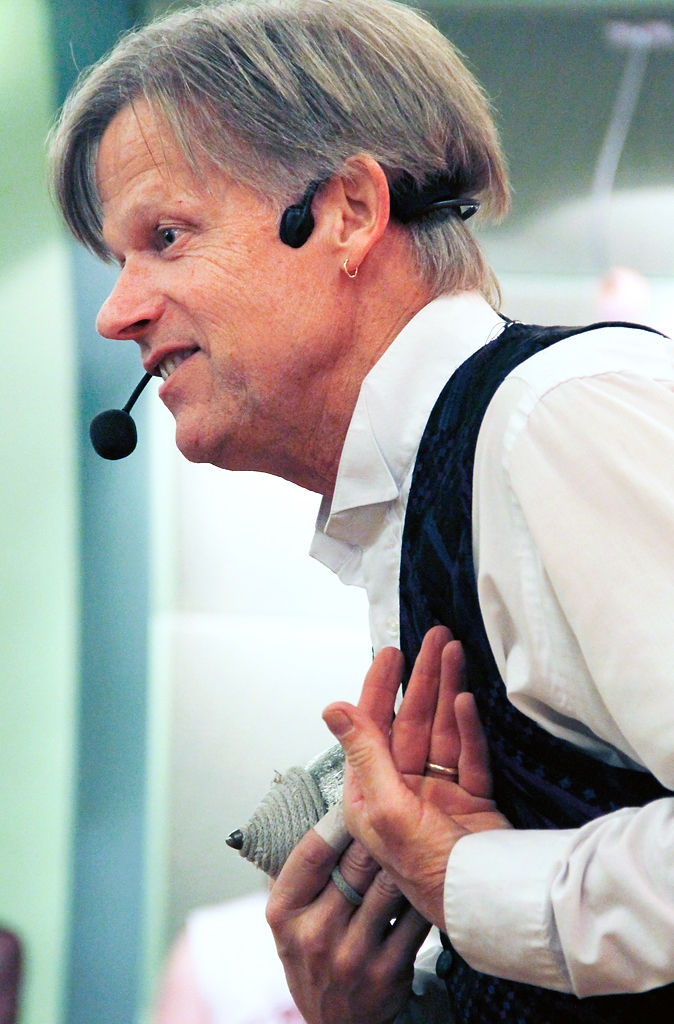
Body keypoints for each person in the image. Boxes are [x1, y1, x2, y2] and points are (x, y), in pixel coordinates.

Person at [47, 0, 674, 1020]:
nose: (117, 311)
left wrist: (460, 886)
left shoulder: (551, 421)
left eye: (165, 236)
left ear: (344, 211)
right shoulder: (433, 492)